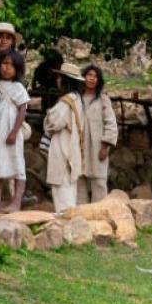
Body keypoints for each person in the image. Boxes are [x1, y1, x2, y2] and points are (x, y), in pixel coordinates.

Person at [0, 49, 29, 213]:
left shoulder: (18, 87)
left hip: (11, 131)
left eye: (11, 65)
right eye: (4, 64)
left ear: (17, 69)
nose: (7, 68)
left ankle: (16, 202)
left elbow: (22, 110)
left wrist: (14, 132)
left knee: (17, 164)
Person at [44, 62, 87, 213]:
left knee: (62, 189)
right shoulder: (77, 99)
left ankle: (66, 226)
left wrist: (47, 115)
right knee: (69, 187)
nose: (57, 81)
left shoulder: (66, 101)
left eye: (60, 78)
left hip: (63, 149)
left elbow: (53, 123)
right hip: (72, 148)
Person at [78, 64, 118, 204]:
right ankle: (81, 213)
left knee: (99, 180)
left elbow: (111, 123)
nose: (92, 79)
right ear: (83, 77)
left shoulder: (103, 99)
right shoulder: (77, 99)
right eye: (89, 75)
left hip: (97, 146)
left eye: (95, 76)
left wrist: (105, 146)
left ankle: (100, 212)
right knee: (79, 178)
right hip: (79, 145)